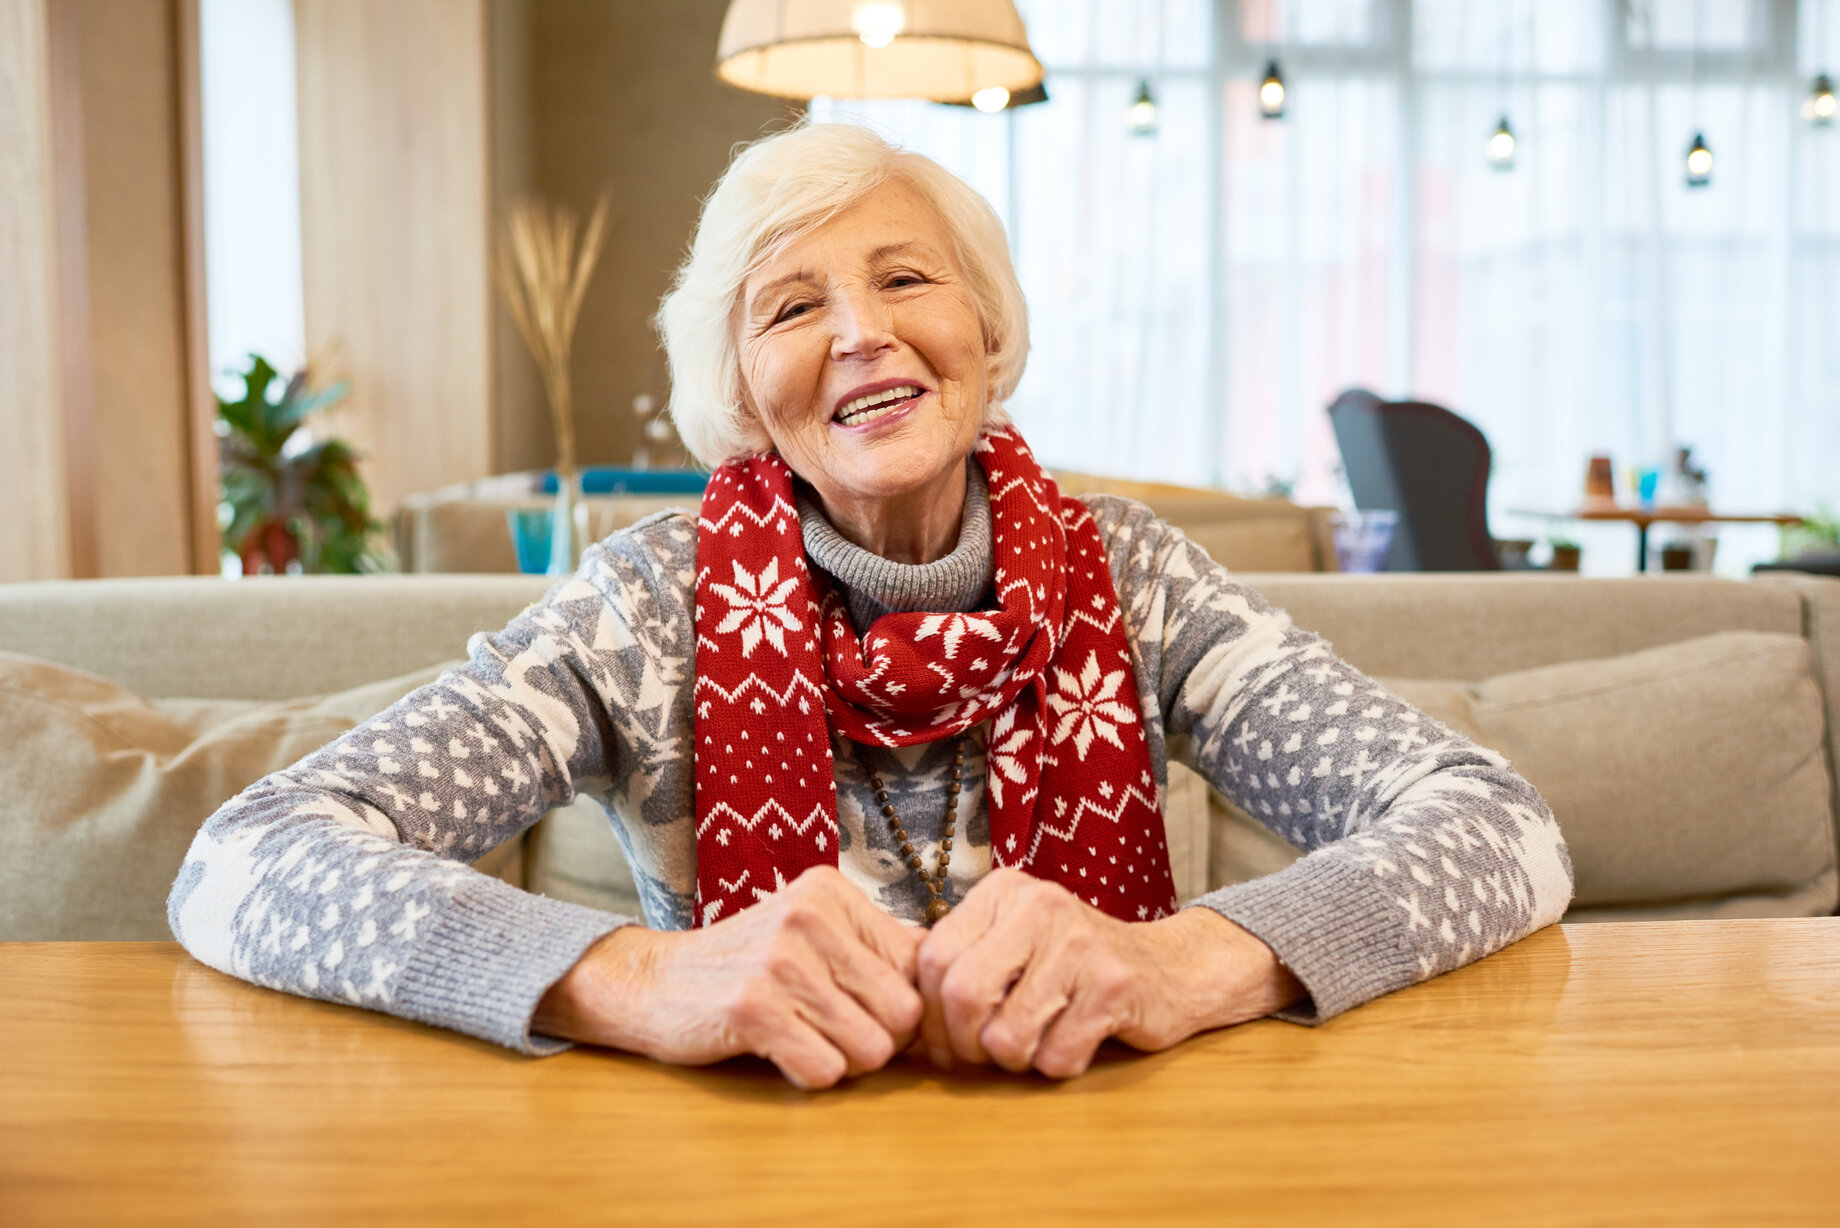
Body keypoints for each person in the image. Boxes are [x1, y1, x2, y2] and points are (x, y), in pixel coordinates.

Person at [168, 123, 1573, 1089]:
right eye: (790, 308)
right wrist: (640, 982)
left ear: (986, 331)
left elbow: (1501, 828)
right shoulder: (641, 609)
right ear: (738, 389)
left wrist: (1176, 969)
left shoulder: (1134, 576)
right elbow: (246, 859)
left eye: (908, 278)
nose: (860, 332)